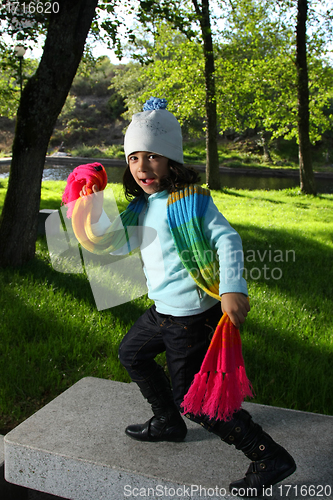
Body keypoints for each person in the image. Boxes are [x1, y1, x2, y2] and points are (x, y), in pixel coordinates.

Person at [77, 97, 296, 496]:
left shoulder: (192, 201)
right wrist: (86, 202)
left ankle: (267, 455)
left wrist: (232, 287)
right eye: (134, 158)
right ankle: (166, 421)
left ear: (172, 160)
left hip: (192, 318)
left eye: (153, 157)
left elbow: (227, 239)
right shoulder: (142, 207)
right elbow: (111, 244)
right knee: (132, 353)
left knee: (197, 401)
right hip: (162, 312)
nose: (142, 168)